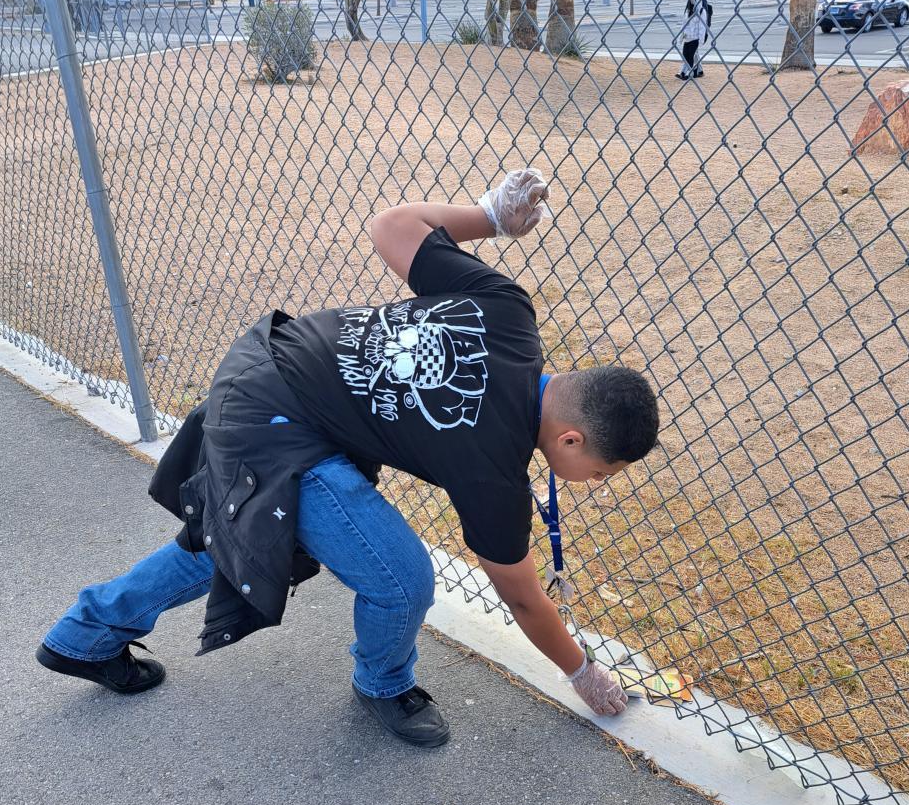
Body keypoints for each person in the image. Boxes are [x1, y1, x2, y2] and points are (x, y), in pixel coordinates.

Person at [36, 169, 660, 749]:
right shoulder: (493, 470)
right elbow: (523, 598)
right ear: (571, 440)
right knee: (402, 581)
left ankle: (85, 634)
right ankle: (383, 683)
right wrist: (580, 671)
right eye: (601, 473)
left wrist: (488, 218)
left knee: (250, 534)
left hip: (265, 369)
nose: (594, 483)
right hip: (277, 426)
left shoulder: (509, 311)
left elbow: (391, 226)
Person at [677, 0, 710, 80]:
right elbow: (685, 21)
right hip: (689, 36)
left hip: (696, 36)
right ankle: (697, 70)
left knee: (692, 54)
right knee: (691, 54)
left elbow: (703, 23)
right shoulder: (689, 4)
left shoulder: (702, 3)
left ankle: (688, 72)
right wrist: (682, 36)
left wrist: (702, 38)